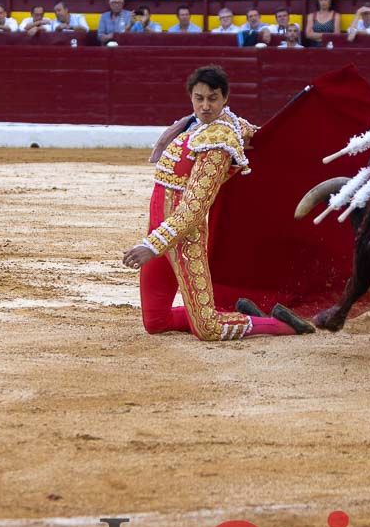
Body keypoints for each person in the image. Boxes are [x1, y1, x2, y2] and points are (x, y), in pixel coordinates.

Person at [123, 65, 314, 341]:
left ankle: (279, 325)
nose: (205, 105)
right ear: (191, 97)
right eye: (199, 98)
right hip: (160, 231)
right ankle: (234, 313)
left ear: (225, 98)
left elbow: (194, 208)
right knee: (156, 321)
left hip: (184, 238)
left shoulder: (218, 142)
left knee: (208, 329)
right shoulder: (200, 124)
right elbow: (252, 131)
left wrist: (152, 245)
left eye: (212, 98)